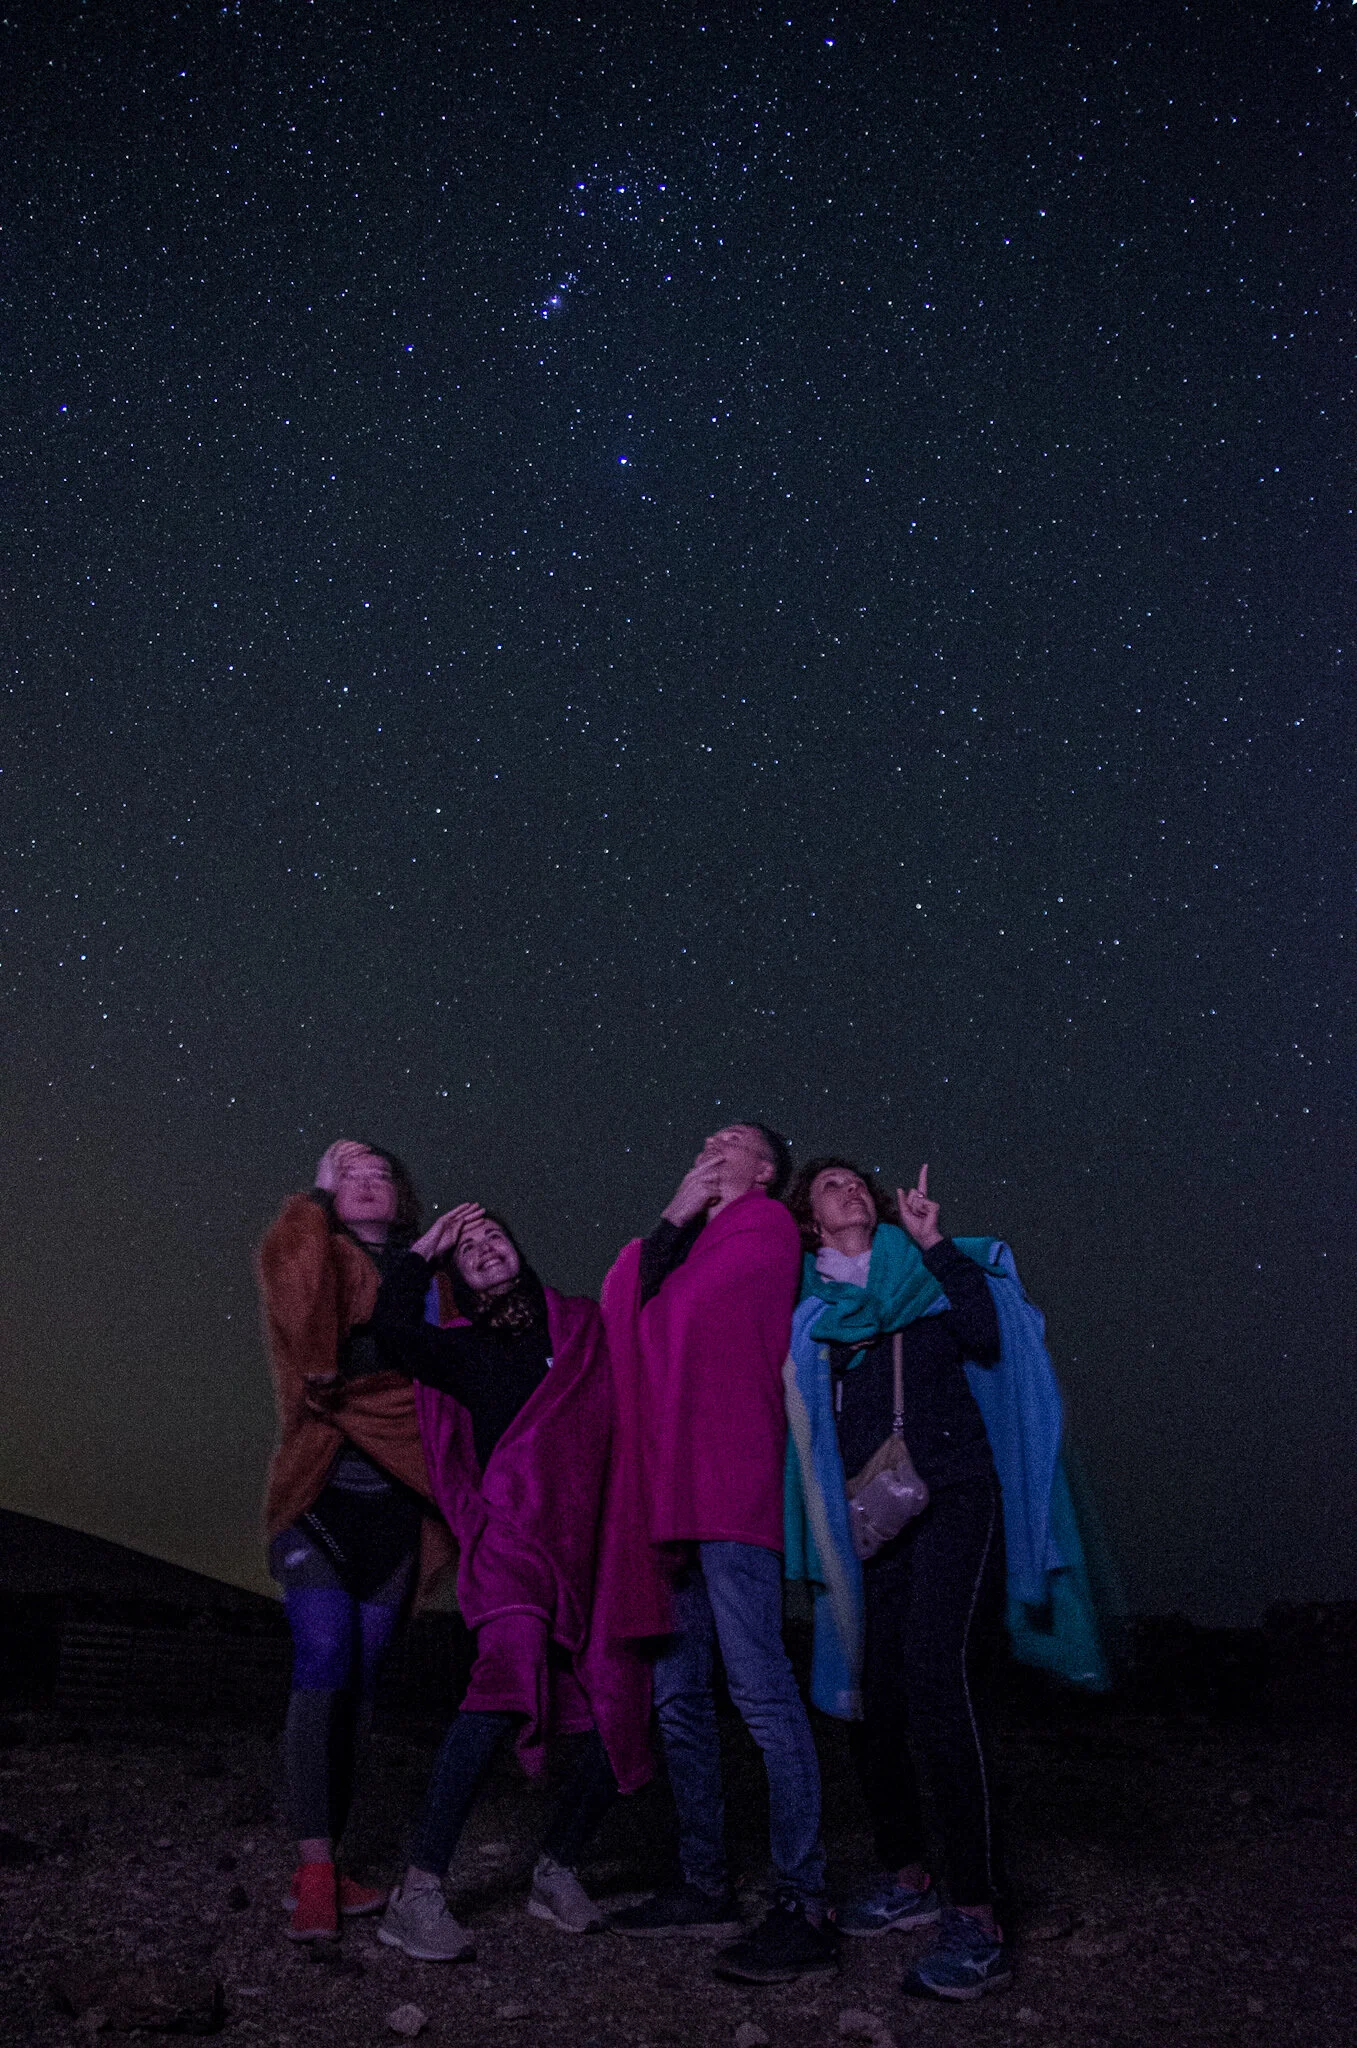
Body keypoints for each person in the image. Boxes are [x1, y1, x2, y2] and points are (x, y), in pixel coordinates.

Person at [366, 1204, 666, 1963]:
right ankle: (419, 1892)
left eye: (495, 1235)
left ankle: (556, 1866)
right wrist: (422, 1252)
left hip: (588, 1553)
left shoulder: (582, 1331)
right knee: (502, 1685)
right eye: (468, 1249)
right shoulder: (461, 1354)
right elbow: (390, 1332)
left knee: (620, 1715)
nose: (486, 1247)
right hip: (510, 1549)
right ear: (458, 1277)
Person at [602, 1124, 836, 1984]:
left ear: (765, 1171)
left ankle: (804, 1901)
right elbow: (623, 1303)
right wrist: (673, 1214)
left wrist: (657, 1287)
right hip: (669, 1498)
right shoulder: (690, 1236)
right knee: (678, 1698)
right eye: (702, 1136)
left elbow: (681, 1317)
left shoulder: (767, 1226)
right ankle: (702, 1882)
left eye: (729, 1140)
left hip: (730, 1487)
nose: (708, 1142)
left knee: (761, 1693)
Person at [782, 1159, 1011, 2001]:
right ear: (809, 1219)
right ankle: (907, 1875)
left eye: (854, 1182)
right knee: (872, 1692)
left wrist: (933, 1240)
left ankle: (978, 1916)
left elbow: (985, 1334)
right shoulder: (814, 1309)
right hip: (870, 1514)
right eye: (827, 1185)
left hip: (953, 1490)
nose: (847, 1190)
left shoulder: (919, 1274)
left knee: (935, 1678)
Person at [256, 1140, 454, 1944]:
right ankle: (310, 1871)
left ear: (401, 1199)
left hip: (397, 1509)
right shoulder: (313, 1254)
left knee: (364, 1686)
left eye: (380, 1174)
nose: (367, 1181)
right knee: (323, 1663)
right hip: (320, 1497)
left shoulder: (429, 1277)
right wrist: (313, 1193)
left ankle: (333, 1861)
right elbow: (305, 1319)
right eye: (350, 1175)